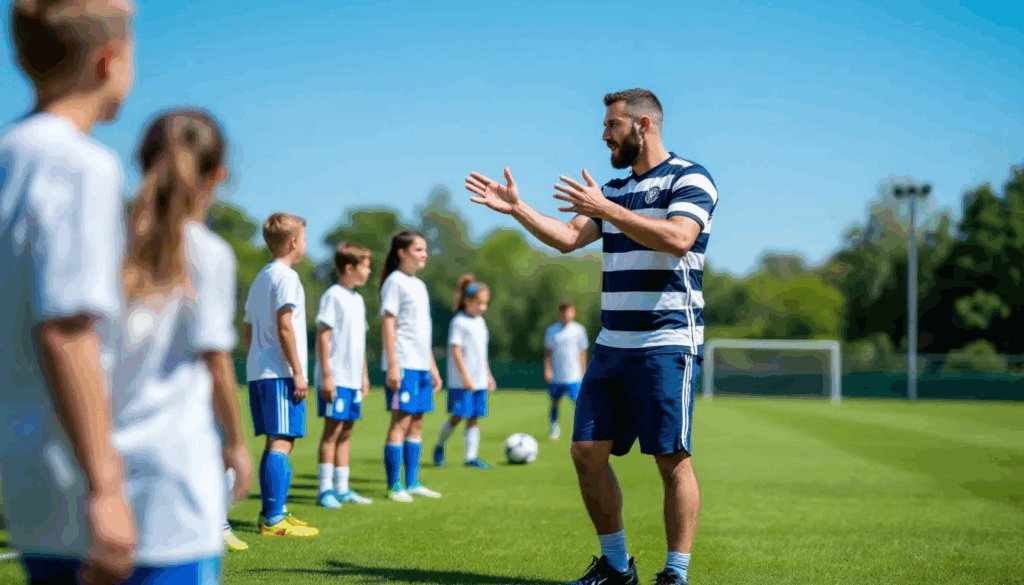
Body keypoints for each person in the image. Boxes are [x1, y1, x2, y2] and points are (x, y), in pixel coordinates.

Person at [466, 88, 718, 585]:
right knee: (585, 453)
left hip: (666, 341)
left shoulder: (691, 178)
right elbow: (566, 238)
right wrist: (518, 209)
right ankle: (617, 566)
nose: (604, 136)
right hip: (611, 346)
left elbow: (678, 238)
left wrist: (610, 209)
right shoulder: (614, 188)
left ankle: (675, 573)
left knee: (671, 459)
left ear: (643, 125)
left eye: (612, 126)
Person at [0, 1, 136, 583]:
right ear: (110, 61)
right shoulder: (84, 165)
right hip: (72, 468)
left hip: (21, 461)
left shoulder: (9, 154)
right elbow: (66, 330)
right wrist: (105, 486)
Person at [103, 108, 252, 583]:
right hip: (175, 485)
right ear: (219, 176)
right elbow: (216, 364)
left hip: (90, 474)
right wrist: (236, 444)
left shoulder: (102, 244)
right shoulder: (207, 254)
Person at [243, 213, 319, 537]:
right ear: (293, 242)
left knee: (274, 440)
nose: (305, 244)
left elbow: (247, 328)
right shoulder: (287, 277)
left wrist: (257, 358)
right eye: (303, 237)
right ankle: (274, 520)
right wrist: (297, 372)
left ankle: (274, 510)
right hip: (280, 372)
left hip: (260, 371)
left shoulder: (262, 277)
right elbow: (285, 324)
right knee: (282, 441)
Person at [379, 230, 444, 502]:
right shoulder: (394, 282)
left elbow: (421, 332)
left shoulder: (418, 284)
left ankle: (413, 481)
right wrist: (393, 364)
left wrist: (432, 366)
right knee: (400, 422)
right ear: (401, 252)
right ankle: (395, 485)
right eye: (418, 249)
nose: (424, 254)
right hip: (403, 364)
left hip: (420, 365)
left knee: (417, 424)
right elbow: (388, 323)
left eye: (425, 249)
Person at [314, 242, 374, 508]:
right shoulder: (333, 296)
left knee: (347, 431)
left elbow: (359, 342)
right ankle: (325, 490)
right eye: (366, 266)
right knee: (332, 431)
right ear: (349, 268)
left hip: (353, 380)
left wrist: (364, 375)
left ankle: (342, 487)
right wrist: (327, 375)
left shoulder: (358, 299)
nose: (369, 271)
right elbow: (323, 336)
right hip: (336, 377)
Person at [432, 274, 497, 470]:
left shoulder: (481, 322)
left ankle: (470, 457)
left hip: (479, 380)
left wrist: (488, 375)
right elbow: (456, 351)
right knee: (458, 416)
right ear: (467, 301)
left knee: (474, 418)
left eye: (485, 303)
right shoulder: (459, 322)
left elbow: (481, 354)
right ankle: (440, 445)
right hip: (462, 382)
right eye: (479, 303)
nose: (483, 307)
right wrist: (465, 377)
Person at [544, 301, 589, 441]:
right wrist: (547, 369)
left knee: (578, 403)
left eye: (569, 311)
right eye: (563, 312)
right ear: (559, 313)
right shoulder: (552, 330)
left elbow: (582, 353)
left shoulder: (579, 330)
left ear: (573, 312)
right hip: (557, 375)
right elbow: (547, 353)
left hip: (574, 375)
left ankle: (581, 430)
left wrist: (584, 372)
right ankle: (554, 428)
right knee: (554, 402)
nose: (566, 314)